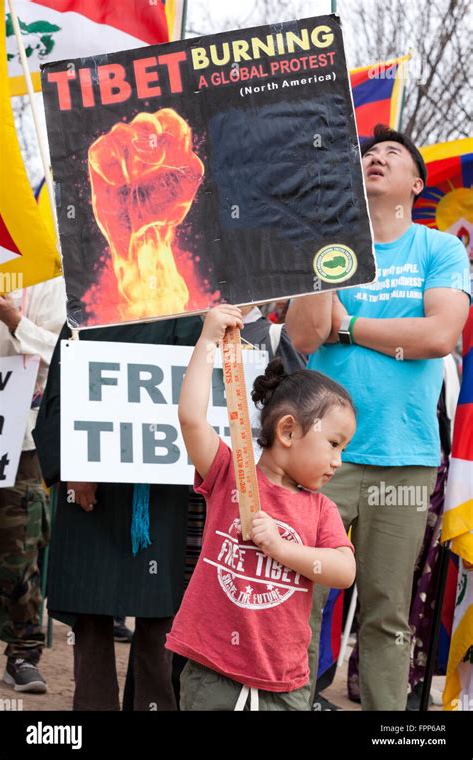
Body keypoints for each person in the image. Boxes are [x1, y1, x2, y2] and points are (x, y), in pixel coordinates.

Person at [285, 124, 471, 710]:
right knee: (298, 602)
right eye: (366, 154)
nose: (375, 159)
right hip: (321, 462)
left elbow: (440, 334)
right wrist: (321, 248)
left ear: (416, 183)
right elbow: (303, 335)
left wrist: (351, 326)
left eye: (391, 153)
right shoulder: (329, 245)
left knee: (388, 613)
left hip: (404, 462)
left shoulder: (439, 249)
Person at [165, 304, 357, 711]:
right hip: (211, 671)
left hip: (282, 684)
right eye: (333, 444)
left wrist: (284, 550)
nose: (338, 460)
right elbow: (190, 418)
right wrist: (208, 341)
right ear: (288, 431)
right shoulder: (229, 474)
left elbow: (344, 570)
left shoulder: (321, 509)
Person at [33, 315, 203, 710]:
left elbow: (204, 395)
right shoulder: (86, 312)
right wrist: (73, 466)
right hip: (92, 485)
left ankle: (153, 705)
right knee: (90, 613)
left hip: (164, 486)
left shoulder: (189, 314)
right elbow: (60, 392)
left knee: (160, 617)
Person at [0, 278, 66, 694]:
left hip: (19, 434)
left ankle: (23, 654)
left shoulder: (46, 275)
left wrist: (15, 321)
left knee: (18, 548)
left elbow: (60, 353)